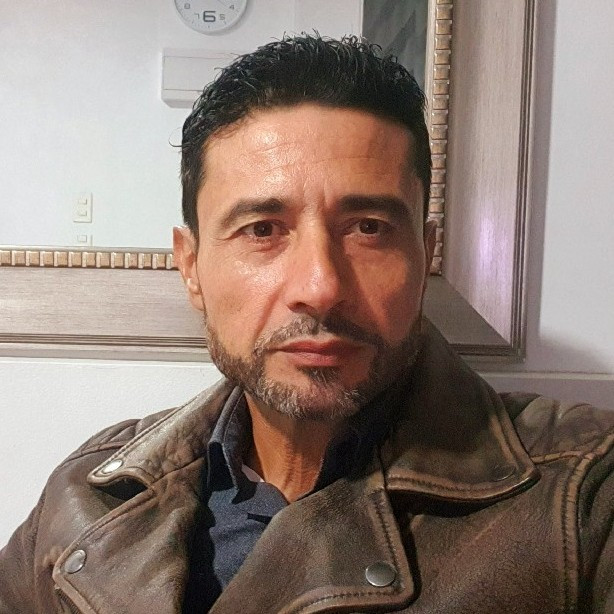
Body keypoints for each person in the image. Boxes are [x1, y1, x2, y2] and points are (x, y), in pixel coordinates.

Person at [1, 34, 613, 614]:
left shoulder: (585, 493)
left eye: (369, 228)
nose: (320, 286)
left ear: (424, 254)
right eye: (262, 229)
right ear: (191, 268)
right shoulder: (89, 493)